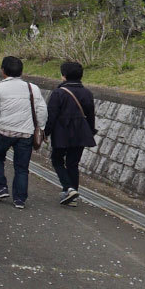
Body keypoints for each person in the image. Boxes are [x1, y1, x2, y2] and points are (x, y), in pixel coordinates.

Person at [0, 55, 47, 210]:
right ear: (21, 72)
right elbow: (42, 110)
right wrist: (41, 127)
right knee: (22, 167)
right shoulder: (32, 88)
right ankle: (20, 199)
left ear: (3, 71)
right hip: (26, 133)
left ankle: (1, 188)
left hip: (4, 131)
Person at [43, 60, 97, 207]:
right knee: (73, 164)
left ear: (63, 75)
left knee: (57, 159)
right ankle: (72, 198)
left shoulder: (59, 93)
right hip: (81, 132)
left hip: (62, 133)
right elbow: (90, 115)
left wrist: (45, 132)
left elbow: (51, 115)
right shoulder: (87, 93)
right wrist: (91, 131)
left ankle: (69, 189)